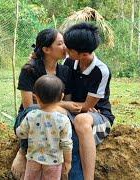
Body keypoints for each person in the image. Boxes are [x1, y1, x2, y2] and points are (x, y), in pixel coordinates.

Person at [11, 28, 81, 179]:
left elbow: (66, 101)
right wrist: (64, 105)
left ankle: (72, 174)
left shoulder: (65, 71)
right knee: (34, 113)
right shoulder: (29, 69)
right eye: (60, 44)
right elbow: (29, 105)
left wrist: (63, 105)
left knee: (72, 134)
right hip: (31, 113)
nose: (65, 48)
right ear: (46, 49)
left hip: (55, 114)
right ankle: (22, 152)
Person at [63, 22, 114, 180]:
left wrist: (80, 108)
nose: (65, 50)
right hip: (74, 111)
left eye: (69, 49)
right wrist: (72, 106)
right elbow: (68, 96)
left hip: (99, 116)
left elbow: (87, 107)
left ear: (83, 54)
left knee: (82, 120)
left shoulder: (101, 71)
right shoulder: (69, 62)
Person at [16, 75, 72, 180]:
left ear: (36, 97)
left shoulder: (31, 115)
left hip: (33, 158)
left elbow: (21, 133)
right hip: (54, 162)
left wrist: (19, 130)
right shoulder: (63, 120)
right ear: (61, 97)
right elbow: (67, 144)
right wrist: (68, 162)